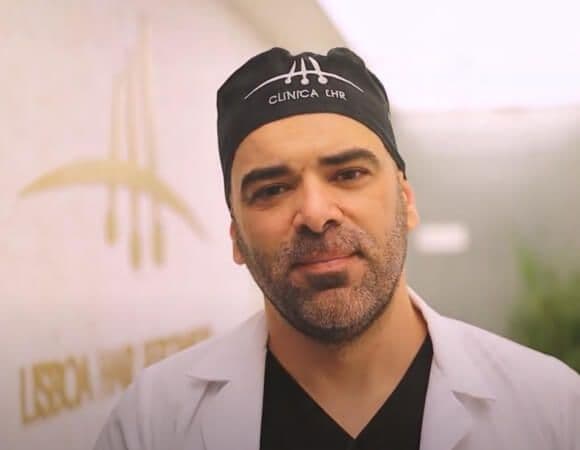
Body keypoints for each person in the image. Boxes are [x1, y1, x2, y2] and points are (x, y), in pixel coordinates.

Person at [93, 47, 580, 450]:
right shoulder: (152, 423)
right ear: (236, 236)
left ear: (406, 202)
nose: (315, 212)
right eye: (272, 189)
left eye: (348, 174)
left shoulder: (551, 409)